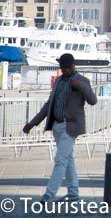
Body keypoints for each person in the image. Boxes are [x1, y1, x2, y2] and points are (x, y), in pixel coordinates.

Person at [23, 53, 97, 202]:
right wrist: (32, 123)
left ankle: (49, 194)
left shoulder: (83, 80)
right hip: (57, 125)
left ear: (73, 66)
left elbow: (93, 100)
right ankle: (73, 193)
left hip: (71, 126)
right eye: (62, 69)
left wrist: (80, 86)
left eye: (67, 69)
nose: (64, 71)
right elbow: (48, 105)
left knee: (60, 160)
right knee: (68, 159)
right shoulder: (58, 81)